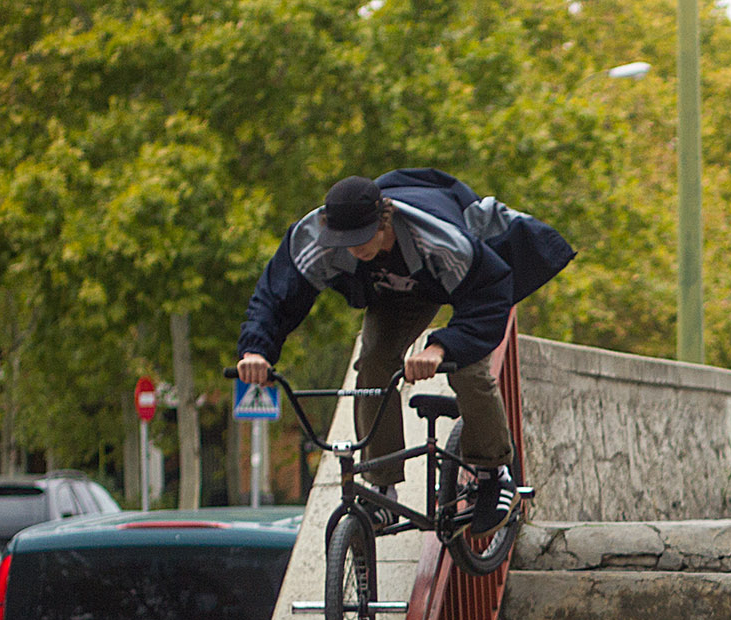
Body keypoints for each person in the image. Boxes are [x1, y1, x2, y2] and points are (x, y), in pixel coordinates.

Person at [235, 169, 573, 533]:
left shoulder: (439, 239)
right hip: (394, 296)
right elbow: (275, 294)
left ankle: (495, 471)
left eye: (362, 239)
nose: (354, 249)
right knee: (374, 362)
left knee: (466, 368)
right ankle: (381, 485)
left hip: (466, 284)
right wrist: (256, 350)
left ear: (385, 219)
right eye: (345, 242)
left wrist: (441, 347)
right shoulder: (314, 239)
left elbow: (488, 296)